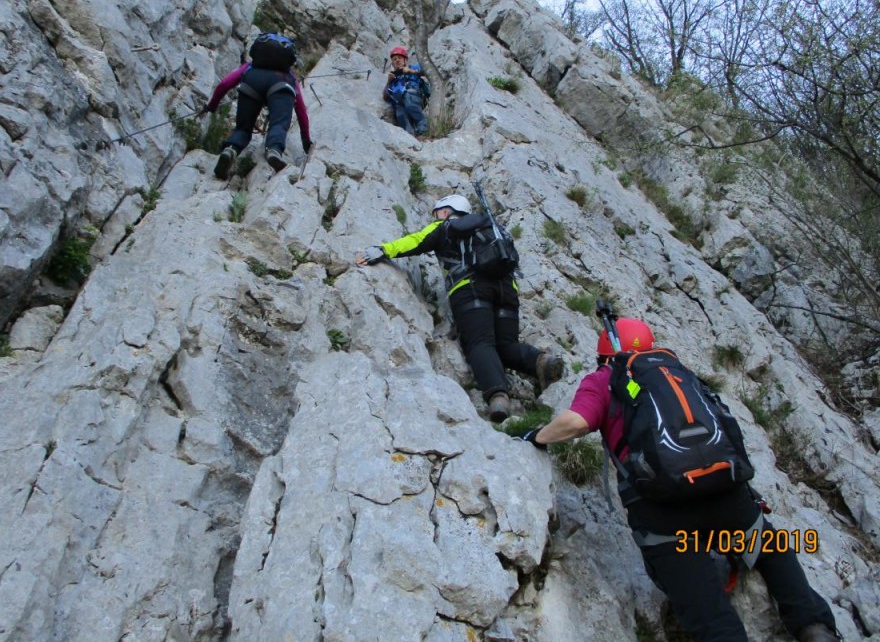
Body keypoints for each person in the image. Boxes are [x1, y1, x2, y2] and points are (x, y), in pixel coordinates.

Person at [513, 317, 840, 642]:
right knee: (770, 547)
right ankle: (814, 627)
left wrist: (538, 436)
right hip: (726, 492)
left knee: (706, 609)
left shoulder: (604, 378)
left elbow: (576, 422)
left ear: (604, 356)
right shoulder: (678, 373)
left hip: (664, 512)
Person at [356, 193, 565, 422]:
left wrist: (383, 250)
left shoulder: (445, 226)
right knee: (505, 345)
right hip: (507, 291)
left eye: (438, 213)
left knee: (480, 343)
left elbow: (416, 241)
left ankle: (498, 396)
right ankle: (541, 362)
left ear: (446, 211)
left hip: (471, 290)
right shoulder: (492, 228)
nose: (436, 217)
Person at [205, 32, 312, 180]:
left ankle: (231, 149)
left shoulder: (251, 66)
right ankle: (273, 151)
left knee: (243, 128)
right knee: (279, 124)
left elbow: (225, 84)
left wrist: (212, 105)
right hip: (282, 85)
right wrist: (306, 140)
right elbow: (301, 109)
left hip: (252, 81)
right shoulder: (290, 75)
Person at [383, 46, 429, 137]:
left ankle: (423, 130)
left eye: (399, 58)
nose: (397, 60)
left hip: (413, 95)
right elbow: (386, 97)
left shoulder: (413, 67)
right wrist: (389, 82)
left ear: (405, 60)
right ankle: (411, 137)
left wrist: (411, 71)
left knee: (409, 102)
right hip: (400, 101)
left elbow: (427, 72)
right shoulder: (394, 78)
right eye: (394, 59)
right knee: (400, 113)